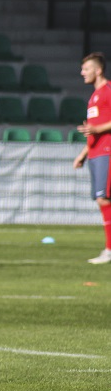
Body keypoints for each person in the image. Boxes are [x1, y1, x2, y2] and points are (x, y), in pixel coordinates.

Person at [74, 52, 111, 264]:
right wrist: (83, 154)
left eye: (86, 69)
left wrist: (97, 129)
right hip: (96, 153)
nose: (82, 73)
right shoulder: (93, 97)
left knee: (104, 198)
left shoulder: (107, 91)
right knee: (102, 199)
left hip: (107, 151)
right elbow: (92, 130)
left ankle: (109, 250)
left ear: (98, 70)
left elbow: (97, 128)